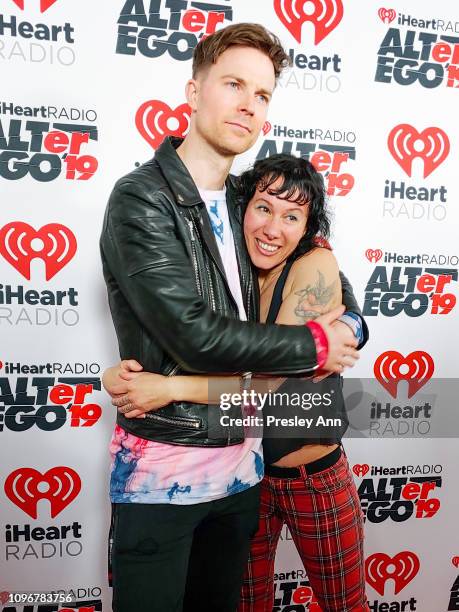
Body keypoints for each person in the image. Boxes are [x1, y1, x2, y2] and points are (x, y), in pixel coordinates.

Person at [100, 23, 366, 612]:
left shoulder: (245, 202)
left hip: (244, 476)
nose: (249, 103)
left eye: (263, 94)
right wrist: (319, 344)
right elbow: (194, 332)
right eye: (233, 84)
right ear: (194, 92)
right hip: (166, 473)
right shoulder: (143, 198)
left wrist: (352, 324)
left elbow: (314, 265)